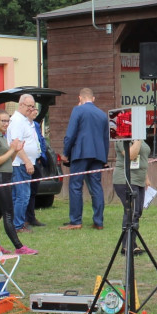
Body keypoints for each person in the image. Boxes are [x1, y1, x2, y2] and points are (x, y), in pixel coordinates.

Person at [0, 111, 37, 255]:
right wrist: (12, 149)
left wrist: (16, 151)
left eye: (8, 121)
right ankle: (19, 247)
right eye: (3, 121)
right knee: (9, 214)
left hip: (5, 177)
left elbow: (8, 159)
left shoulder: (2, 137)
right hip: (0, 178)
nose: (6, 124)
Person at [60, 88, 109, 230]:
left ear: (80, 98)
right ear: (93, 99)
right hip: (98, 155)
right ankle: (98, 221)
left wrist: (65, 152)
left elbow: (70, 134)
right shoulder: (102, 114)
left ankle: (76, 221)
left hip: (81, 153)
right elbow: (106, 138)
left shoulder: (77, 110)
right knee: (96, 186)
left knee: (75, 186)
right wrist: (104, 158)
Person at [7, 94, 41, 235]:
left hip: (24, 162)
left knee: (19, 196)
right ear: (21, 105)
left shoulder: (25, 121)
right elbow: (16, 144)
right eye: (29, 106)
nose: (31, 109)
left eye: (33, 106)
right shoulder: (17, 121)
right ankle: (18, 225)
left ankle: (15, 223)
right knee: (23, 195)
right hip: (20, 163)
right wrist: (27, 161)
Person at [113, 137, 152, 237]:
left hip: (139, 180)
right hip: (125, 179)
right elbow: (131, 155)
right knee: (131, 211)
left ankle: (132, 244)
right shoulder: (122, 138)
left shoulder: (139, 138)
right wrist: (138, 140)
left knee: (137, 212)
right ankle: (127, 246)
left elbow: (142, 158)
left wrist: (146, 178)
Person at [24, 104, 47, 228]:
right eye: (33, 109)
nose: (35, 112)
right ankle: (23, 219)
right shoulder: (23, 125)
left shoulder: (36, 125)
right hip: (25, 162)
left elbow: (41, 140)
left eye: (36, 109)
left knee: (33, 191)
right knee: (24, 192)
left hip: (36, 161)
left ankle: (31, 217)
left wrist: (41, 154)